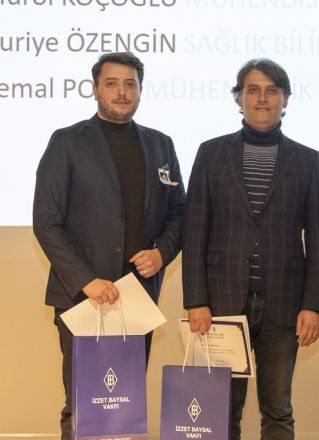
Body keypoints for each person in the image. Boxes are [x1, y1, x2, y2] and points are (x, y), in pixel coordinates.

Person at [33, 52, 186, 439]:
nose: (122, 92)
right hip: (82, 298)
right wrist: (87, 280)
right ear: (95, 89)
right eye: (112, 83)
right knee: (83, 406)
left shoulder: (161, 144)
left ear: (140, 90)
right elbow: (46, 221)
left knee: (125, 407)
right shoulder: (67, 142)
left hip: (137, 297)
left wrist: (162, 252)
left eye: (130, 84)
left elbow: (179, 213)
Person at [182, 58, 319, 440]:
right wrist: (195, 300)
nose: (262, 98)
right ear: (239, 97)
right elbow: (194, 232)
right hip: (221, 305)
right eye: (253, 90)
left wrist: (314, 305)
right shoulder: (211, 153)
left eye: (272, 91)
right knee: (219, 410)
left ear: (285, 99)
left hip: (284, 306)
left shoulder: (308, 160)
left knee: (278, 411)